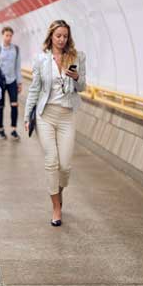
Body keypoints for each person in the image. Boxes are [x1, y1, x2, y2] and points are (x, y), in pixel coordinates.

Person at [24, 20, 86, 227]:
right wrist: (27, 115)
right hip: (46, 116)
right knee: (51, 161)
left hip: (67, 115)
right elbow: (34, 88)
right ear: (51, 36)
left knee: (65, 166)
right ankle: (56, 207)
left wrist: (77, 77)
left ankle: (58, 192)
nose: (62, 39)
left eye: (65, 36)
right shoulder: (41, 60)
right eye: (58, 35)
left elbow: (83, 87)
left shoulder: (76, 57)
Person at [0, 26, 22, 141]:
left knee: (14, 105)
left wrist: (19, 82)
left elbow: (17, 67)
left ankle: (13, 129)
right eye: (6, 35)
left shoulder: (16, 49)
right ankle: (1, 129)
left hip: (12, 81)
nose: (8, 38)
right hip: (0, 82)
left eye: (10, 36)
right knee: (0, 106)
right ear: (2, 35)